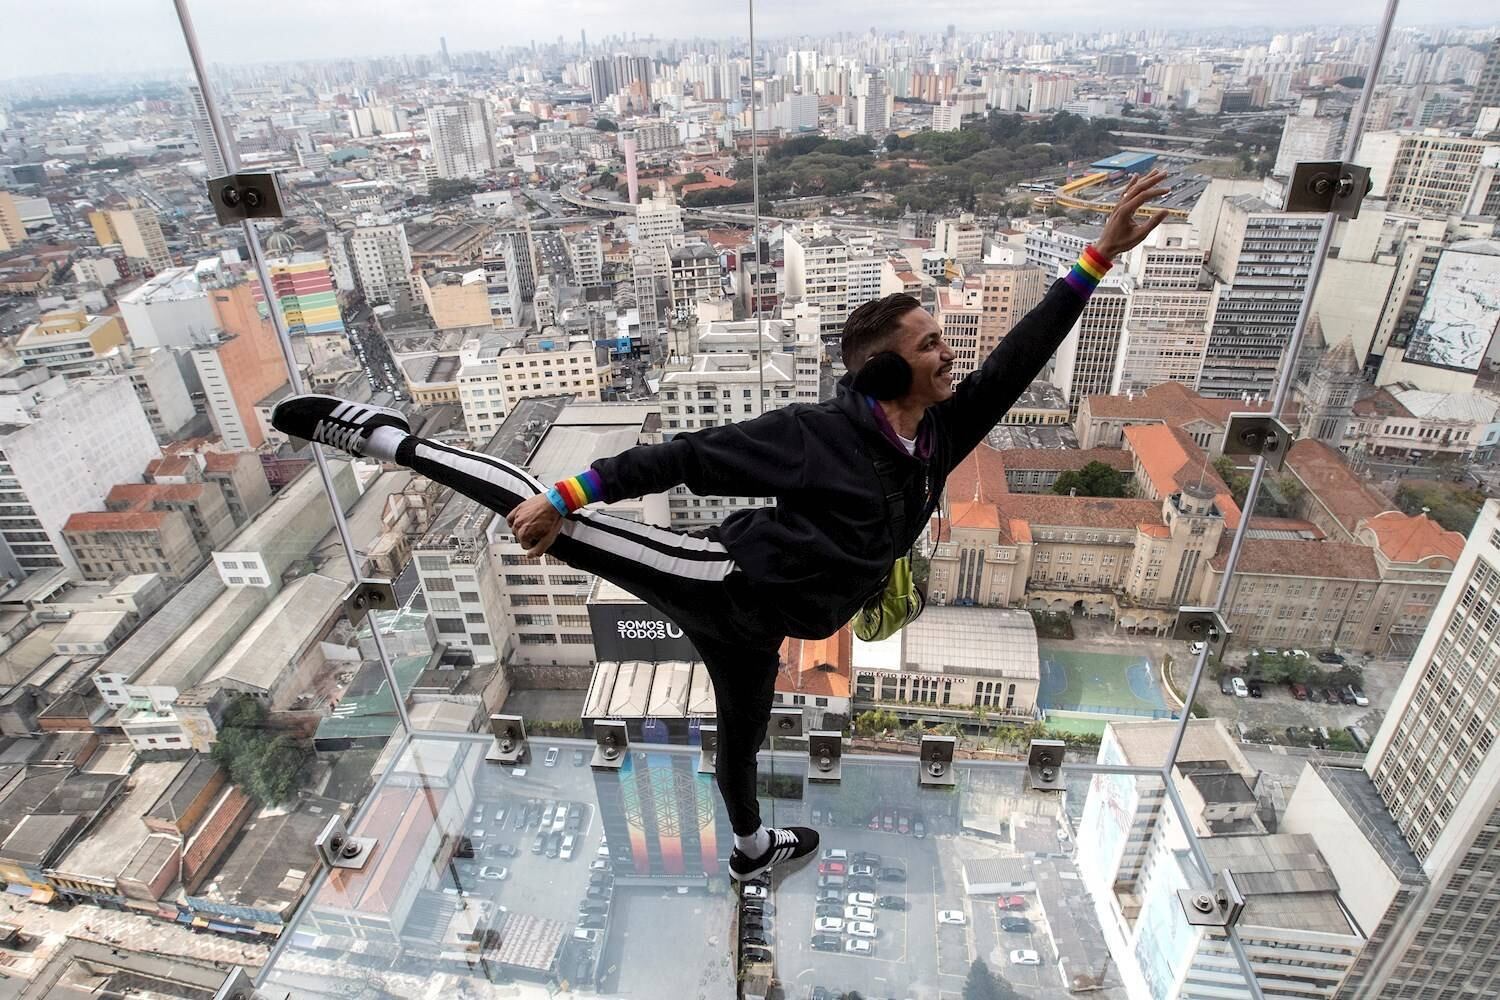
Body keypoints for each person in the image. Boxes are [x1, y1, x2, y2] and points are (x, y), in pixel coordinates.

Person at [271, 170, 1171, 882]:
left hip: (764, 627)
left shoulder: (939, 437)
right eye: (930, 345)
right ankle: (382, 437)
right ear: (886, 374)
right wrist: (575, 493)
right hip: (713, 579)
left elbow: (1020, 358)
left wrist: (1097, 256)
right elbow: (688, 456)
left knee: (738, 743)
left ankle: (748, 850)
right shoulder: (813, 438)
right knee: (533, 512)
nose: (951, 354)